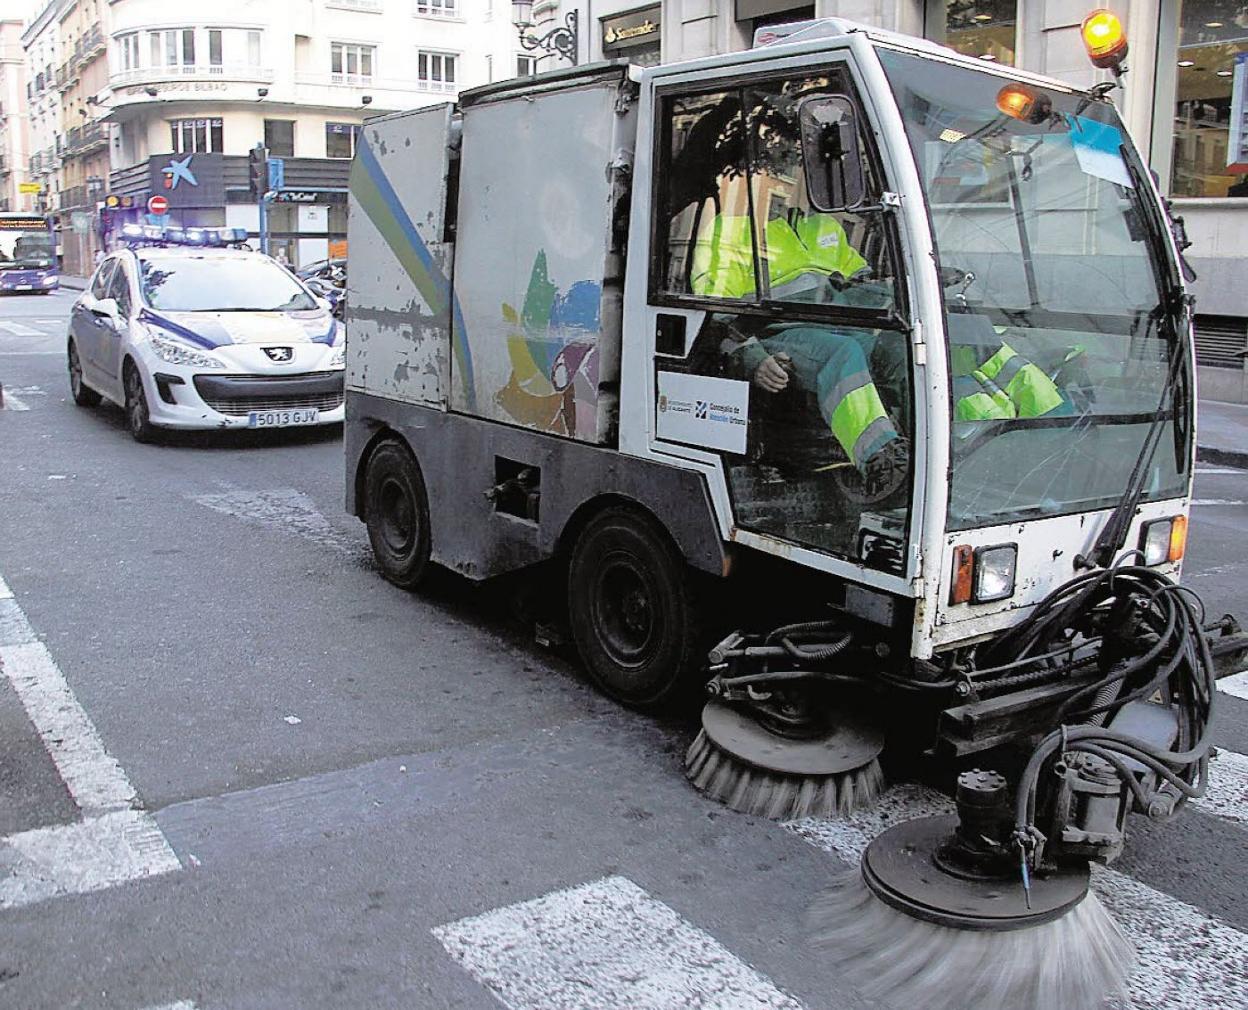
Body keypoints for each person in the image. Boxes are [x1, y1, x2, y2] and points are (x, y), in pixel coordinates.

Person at [690, 208, 909, 488]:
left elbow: (864, 284)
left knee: (899, 349)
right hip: (776, 331)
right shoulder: (730, 229)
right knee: (844, 354)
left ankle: (925, 442)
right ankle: (880, 460)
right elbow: (716, 310)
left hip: (839, 327)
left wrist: (894, 290)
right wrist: (752, 357)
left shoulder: (825, 225)